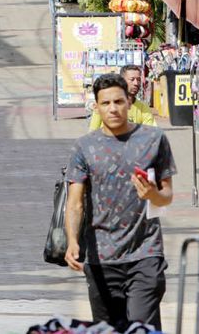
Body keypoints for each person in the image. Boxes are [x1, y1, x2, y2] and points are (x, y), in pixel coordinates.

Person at [64, 74, 176, 330]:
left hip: (146, 253)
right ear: (96, 106)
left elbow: (167, 195)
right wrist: (72, 241)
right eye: (106, 103)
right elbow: (75, 203)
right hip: (101, 259)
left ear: (129, 102)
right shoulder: (84, 147)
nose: (113, 108)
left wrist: (152, 195)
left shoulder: (154, 140)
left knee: (140, 326)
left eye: (118, 101)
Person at [89, 65, 156, 131]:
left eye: (138, 80)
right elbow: (92, 133)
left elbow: (151, 132)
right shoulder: (105, 104)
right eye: (132, 79)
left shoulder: (143, 108)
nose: (136, 83)